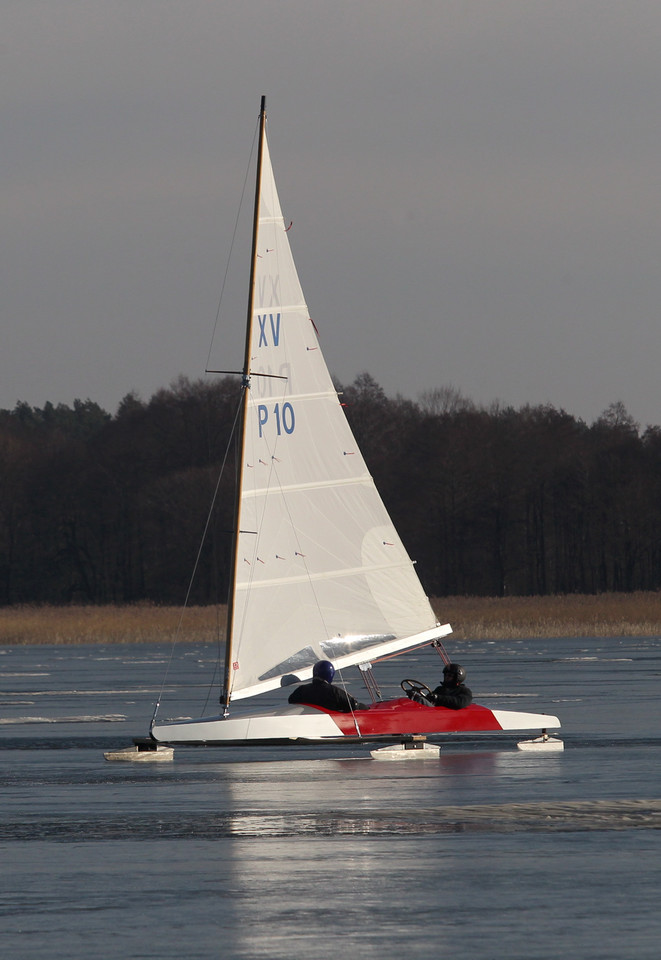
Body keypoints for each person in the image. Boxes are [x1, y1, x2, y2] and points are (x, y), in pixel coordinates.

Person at [288, 660, 365, 713]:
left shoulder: (301, 690)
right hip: (330, 723)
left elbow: (291, 700)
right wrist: (365, 708)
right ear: (330, 674)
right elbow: (353, 705)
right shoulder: (335, 692)